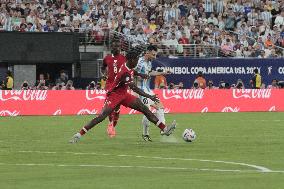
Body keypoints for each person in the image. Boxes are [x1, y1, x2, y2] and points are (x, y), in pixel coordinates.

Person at [69, 50, 176, 143]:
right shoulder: (125, 72)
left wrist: (141, 74)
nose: (137, 62)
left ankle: (164, 129)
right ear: (131, 60)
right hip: (114, 95)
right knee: (101, 117)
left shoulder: (128, 65)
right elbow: (134, 88)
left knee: (144, 109)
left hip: (124, 94)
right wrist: (149, 96)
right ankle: (79, 134)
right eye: (136, 60)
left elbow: (133, 71)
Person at [135, 45, 170, 142]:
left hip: (148, 89)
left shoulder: (149, 62)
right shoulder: (139, 62)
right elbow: (131, 73)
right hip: (140, 90)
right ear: (148, 52)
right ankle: (148, 133)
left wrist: (162, 72)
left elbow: (150, 73)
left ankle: (163, 129)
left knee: (160, 106)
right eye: (153, 55)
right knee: (148, 111)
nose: (155, 57)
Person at [102, 40, 127, 137]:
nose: (116, 48)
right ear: (111, 47)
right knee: (110, 106)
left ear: (120, 47)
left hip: (120, 86)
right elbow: (102, 67)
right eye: (114, 46)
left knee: (117, 108)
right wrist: (104, 74)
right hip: (109, 85)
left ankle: (112, 125)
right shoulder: (107, 58)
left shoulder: (124, 58)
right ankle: (110, 123)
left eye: (117, 46)